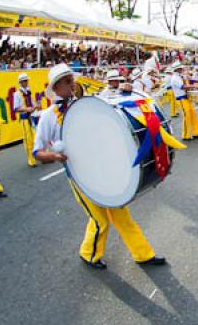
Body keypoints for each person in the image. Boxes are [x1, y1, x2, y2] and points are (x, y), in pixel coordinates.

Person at [33, 63, 166, 269]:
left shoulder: (87, 105)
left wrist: (125, 91)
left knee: (122, 215)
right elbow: (37, 152)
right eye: (68, 81)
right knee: (99, 220)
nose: (73, 84)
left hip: (101, 170)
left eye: (72, 80)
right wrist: (55, 156)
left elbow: (111, 113)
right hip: (79, 176)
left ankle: (143, 254)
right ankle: (89, 254)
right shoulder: (49, 116)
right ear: (57, 87)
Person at [170, 64, 198, 140]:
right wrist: (196, 86)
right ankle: (186, 135)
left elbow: (190, 81)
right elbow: (183, 86)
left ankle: (196, 133)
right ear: (177, 69)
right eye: (180, 68)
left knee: (193, 115)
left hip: (186, 98)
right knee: (187, 117)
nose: (182, 69)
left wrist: (197, 81)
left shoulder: (180, 76)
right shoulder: (175, 78)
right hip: (181, 99)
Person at [13, 73, 38, 167]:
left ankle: (38, 156)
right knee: (28, 140)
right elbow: (16, 109)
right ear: (21, 82)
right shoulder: (17, 94)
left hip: (31, 117)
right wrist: (27, 109)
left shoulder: (29, 91)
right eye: (25, 81)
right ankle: (31, 160)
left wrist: (35, 106)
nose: (26, 82)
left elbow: (32, 103)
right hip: (24, 119)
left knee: (36, 138)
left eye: (27, 80)